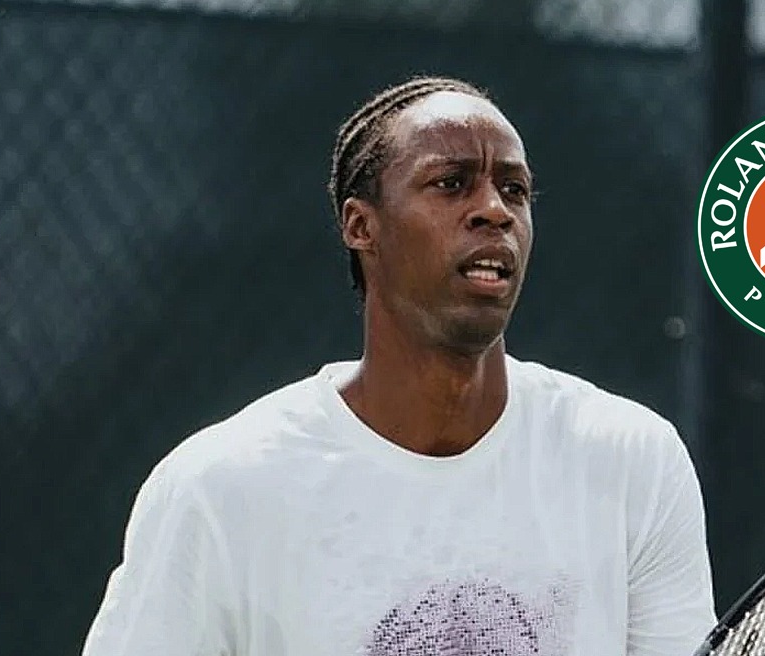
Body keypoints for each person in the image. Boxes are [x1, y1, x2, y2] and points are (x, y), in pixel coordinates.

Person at [81, 75, 716, 656]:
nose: (495, 210)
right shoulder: (218, 489)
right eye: (451, 183)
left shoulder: (632, 461)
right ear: (362, 226)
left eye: (514, 190)